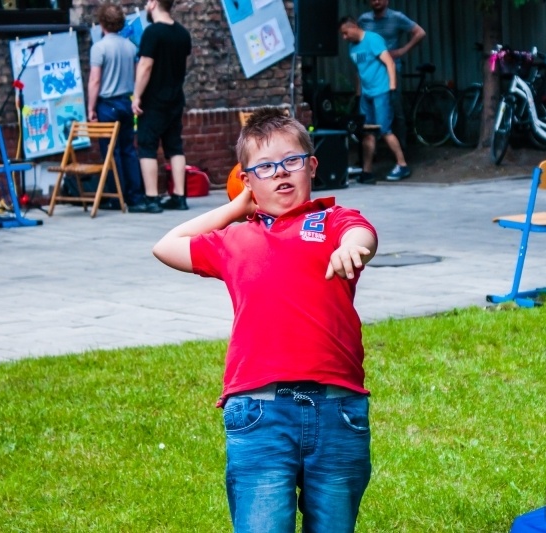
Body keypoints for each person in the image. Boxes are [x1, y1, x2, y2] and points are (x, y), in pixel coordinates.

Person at [153, 108, 378, 532]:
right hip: (259, 411)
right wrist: (235, 208)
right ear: (247, 179)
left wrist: (353, 247)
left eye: (292, 160)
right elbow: (166, 246)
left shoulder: (333, 221)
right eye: (265, 167)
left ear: (312, 166)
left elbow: (362, 234)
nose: (280, 173)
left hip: (337, 409)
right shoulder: (234, 239)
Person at [131, 0, 192, 213]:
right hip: (176, 99)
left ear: (154, 3)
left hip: (154, 101)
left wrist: (136, 96)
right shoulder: (183, 34)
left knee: (147, 145)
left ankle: (151, 199)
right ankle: (179, 196)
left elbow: (145, 65)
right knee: (174, 146)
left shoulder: (152, 32)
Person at [87, 3, 145, 211]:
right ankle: (134, 195)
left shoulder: (99, 48)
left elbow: (95, 80)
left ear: (102, 23)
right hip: (126, 103)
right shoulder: (131, 47)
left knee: (111, 152)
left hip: (107, 104)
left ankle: (115, 197)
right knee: (129, 149)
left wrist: (91, 108)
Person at [339, 16, 410, 183]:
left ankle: (402, 164)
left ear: (354, 26)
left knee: (384, 130)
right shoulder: (351, 48)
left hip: (382, 91)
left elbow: (390, 64)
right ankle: (367, 171)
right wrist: (358, 95)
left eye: (345, 33)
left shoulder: (373, 40)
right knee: (367, 132)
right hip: (366, 94)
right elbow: (359, 72)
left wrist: (392, 89)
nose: (344, 37)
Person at [358, 0, 426, 153]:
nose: (376, 2)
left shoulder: (397, 17)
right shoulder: (364, 20)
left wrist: (402, 51)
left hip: (390, 71)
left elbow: (420, 33)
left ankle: (401, 150)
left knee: (395, 108)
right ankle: (371, 153)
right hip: (370, 73)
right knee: (369, 113)